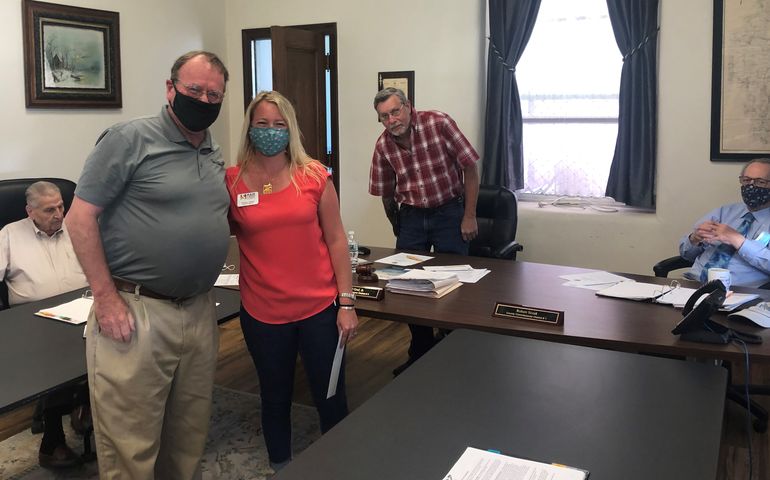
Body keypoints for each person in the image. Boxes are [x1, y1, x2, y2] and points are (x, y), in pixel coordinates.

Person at [65, 50, 230, 479]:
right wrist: (105, 298)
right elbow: (79, 219)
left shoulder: (212, 151)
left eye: (215, 94)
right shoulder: (128, 139)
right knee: (130, 445)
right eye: (195, 90)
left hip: (197, 309)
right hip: (135, 311)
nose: (204, 100)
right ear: (170, 88)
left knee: (188, 436)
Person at [227, 90, 357, 473]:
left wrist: (346, 303)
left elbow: (335, 239)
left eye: (279, 125)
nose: (271, 131)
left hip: (320, 309)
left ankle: (340, 464)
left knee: (330, 394)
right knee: (274, 396)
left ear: (291, 129)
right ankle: (280, 465)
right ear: (250, 127)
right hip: (263, 313)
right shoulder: (231, 182)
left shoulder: (314, 175)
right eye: (263, 124)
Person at [368, 87, 480, 375]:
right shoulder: (383, 146)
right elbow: (385, 193)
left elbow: (470, 168)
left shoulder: (438, 123)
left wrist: (469, 215)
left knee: (455, 282)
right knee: (407, 285)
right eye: (384, 116)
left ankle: (453, 349)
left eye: (395, 111)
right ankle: (420, 350)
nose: (392, 120)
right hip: (413, 215)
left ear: (408, 106)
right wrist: (399, 225)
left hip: (449, 211)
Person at [0, 181, 88, 469]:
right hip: (33, 322)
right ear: (30, 211)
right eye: (50, 209)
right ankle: (52, 439)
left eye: (61, 206)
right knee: (57, 362)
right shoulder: (10, 235)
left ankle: (83, 406)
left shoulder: (75, 227)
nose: (59, 214)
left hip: (83, 309)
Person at [680, 158, 770, 288]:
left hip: (741, 292)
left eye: (760, 182)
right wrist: (694, 239)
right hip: (694, 284)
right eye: (746, 180)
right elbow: (686, 254)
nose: (751, 186)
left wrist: (739, 241)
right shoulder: (724, 212)